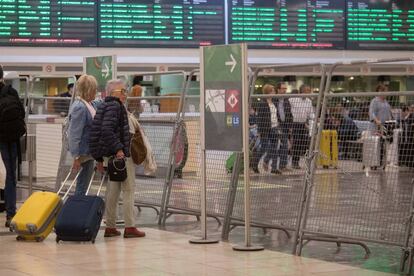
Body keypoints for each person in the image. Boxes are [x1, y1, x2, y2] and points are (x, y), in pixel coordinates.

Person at [90, 79, 145, 238]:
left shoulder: (103, 106)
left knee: (113, 190)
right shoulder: (116, 106)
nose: (125, 94)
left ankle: (111, 226)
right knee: (128, 189)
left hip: (109, 156)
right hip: (120, 155)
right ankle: (130, 227)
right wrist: (119, 149)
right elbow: (107, 131)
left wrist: (99, 158)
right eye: (123, 91)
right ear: (114, 92)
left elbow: (97, 133)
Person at [67, 75, 103, 196]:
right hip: (82, 153)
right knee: (82, 186)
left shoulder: (89, 104)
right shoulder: (80, 107)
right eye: (94, 89)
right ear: (88, 90)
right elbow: (74, 133)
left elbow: (100, 103)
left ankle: (78, 208)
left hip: (88, 152)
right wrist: (76, 157)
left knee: (83, 184)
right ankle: (77, 210)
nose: (96, 92)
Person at [0, 65, 26, 227]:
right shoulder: (11, 91)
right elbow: (21, 114)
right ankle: (11, 213)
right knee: (10, 175)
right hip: (12, 139)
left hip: (1, 139)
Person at [251, 84, 282, 174]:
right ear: (268, 92)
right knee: (264, 147)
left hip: (274, 127)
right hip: (265, 128)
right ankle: (255, 164)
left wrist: (278, 124)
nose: (274, 92)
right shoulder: (262, 103)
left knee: (274, 147)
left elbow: (276, 115)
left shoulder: (274, 102)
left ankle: (274, 168)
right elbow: (259, 118)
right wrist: (260, 131)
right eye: (272, 90)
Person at [289, 84, 315, 169]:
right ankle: (294, 162)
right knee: (296, 143)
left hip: (303, 124)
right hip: (294, 124)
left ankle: (300, 161)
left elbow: (311, 114)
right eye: (307, 90)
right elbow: (287, 110)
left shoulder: (309, 101)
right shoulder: (292, 99)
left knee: (303, 143)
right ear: (302, 91)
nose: (309, 92)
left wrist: (314, 121)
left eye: (309, 90)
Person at [369, 84, 393, 168]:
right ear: (380, 91)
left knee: (384, 145)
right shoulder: (375, 101)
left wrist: (391, 120)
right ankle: (374, 163)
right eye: (385, 91)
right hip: (376, 126)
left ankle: (383, 163)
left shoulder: (386, 102)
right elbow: (372, 112)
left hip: (385, 126)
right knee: (377, 145)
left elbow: (389, 112)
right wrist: (376, 121)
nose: (387, 93)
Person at [275, 82, 293, 171]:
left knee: (284, 145)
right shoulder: (274, 99)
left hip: (285, 126)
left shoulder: (286, 100)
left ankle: (282, 165)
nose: (284, 90)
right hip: (276, 125)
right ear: (278, 89)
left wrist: (290, 126)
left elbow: (289, 114)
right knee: (275, 145)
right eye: (283, 88)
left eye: (285, 89)